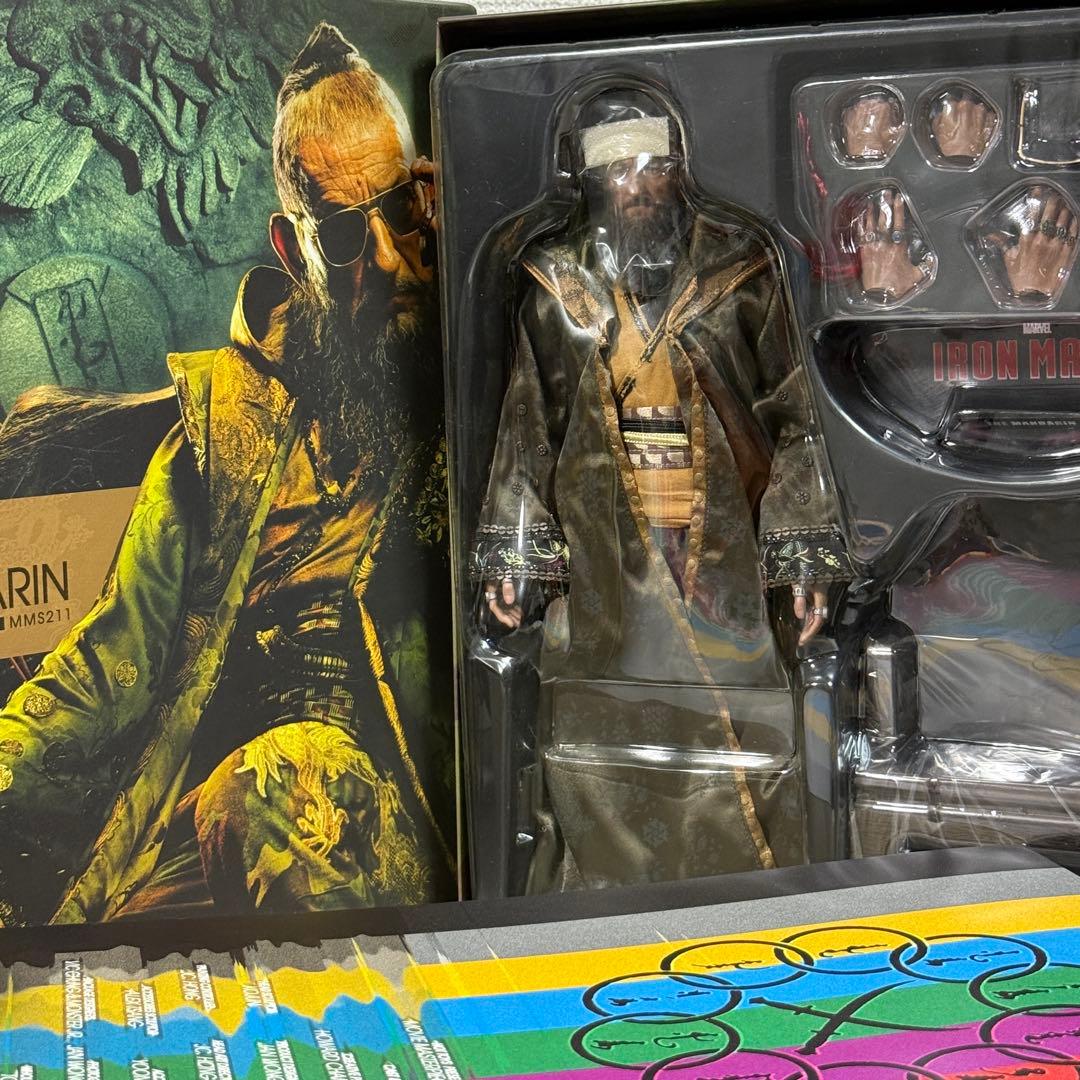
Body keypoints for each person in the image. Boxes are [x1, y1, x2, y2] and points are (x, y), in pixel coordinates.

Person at [0, 22, 455, 925]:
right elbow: (107, 663)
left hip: (403, 810)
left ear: (431, 197)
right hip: (220, 819)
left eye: (401, 211)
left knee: (272, 785)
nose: (386, 258)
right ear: (292, 250)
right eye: (343, 234)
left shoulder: (490, 376)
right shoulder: (225, 426)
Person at [471, 85, 853, 891]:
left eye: (652, 170)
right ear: (590, 182)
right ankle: (607, 892)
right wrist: (515, 555)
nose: (638, 188)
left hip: (722, 549)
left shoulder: (739, 272)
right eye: (619, 174)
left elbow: (795, 412)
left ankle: (761, 895)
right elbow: (527, 422)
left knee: (740, 723)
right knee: (605, 729)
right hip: (605, 551)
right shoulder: (555, 285)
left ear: (680, 170)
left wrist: (805, 554)